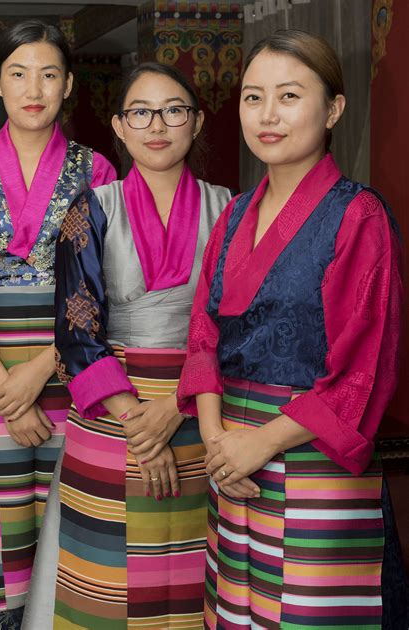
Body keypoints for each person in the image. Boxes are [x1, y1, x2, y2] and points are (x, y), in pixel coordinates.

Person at [177, 30, 404, 630]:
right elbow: (202, 333)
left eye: (289, 96)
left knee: (311, 614)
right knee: (237, 606)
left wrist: (261, 442)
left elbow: (365, 366)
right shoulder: (232, 215)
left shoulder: (359, 216)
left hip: (311, 455)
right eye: (254, 98)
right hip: (231, 454)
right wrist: (217, 439)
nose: (268, 115)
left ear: (333, 108)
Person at [0, 20, 116, 629]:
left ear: (68, 85)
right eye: (18, 73)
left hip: (75, 368)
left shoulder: (97, 174)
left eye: (48, 73)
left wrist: (44, 367)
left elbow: (101, 289)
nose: (33, 87)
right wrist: (7, 392)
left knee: (75, 513)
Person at [53, 61, 232, 628]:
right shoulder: (90, 209)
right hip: (114, 417)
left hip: (203, 412)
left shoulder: (232, 209)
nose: (158, 125)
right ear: (119, 126)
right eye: (141, 112)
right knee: (106, 588)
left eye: (174, 110)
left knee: (200, 583)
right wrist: (141, 426)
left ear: (197, 122)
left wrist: (174, 405)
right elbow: (75, 330)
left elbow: (241, 327)